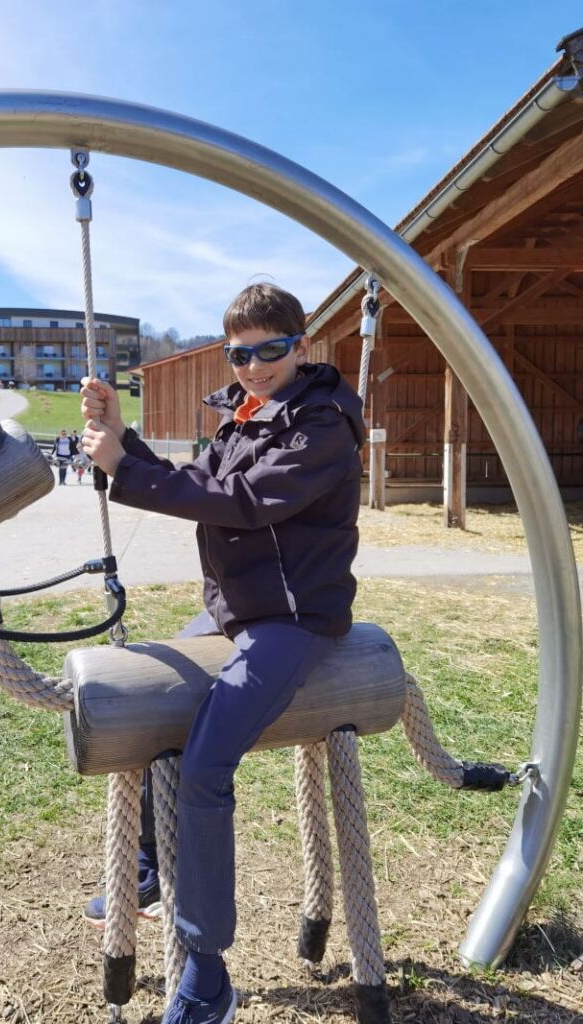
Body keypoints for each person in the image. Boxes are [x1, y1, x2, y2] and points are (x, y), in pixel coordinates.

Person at [79, 283, 365, 1024]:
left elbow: (240, 502)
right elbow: (206, 480)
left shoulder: (322, 427)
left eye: (271, 349)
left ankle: (207, 972)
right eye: (240, 353)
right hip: (236, 611)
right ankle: (145, 868)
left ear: (302, 348)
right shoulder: (246, 414)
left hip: (293, 620)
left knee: (206, 763)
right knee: (147, 691)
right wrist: (124, 446)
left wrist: (124, 468)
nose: (254, 365)